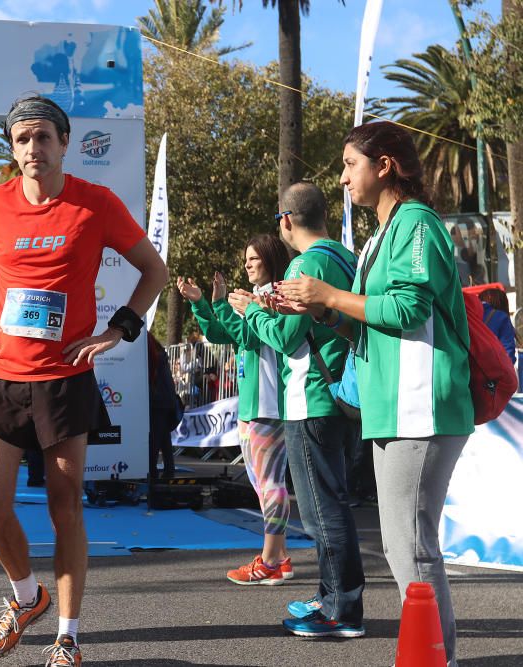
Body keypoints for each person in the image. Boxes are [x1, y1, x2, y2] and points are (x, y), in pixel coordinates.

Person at [0, 94, 167, 666]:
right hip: (1, 376)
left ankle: (68, 635)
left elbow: (153, 270)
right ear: (13, 149)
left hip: (65, 378)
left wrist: (119, 329)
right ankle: (25, 597)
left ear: (64, 144)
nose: (33, 148)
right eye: (22, 139)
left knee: (66, 507)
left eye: (44, 137)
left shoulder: (96, 204)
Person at [277, 121, 476, 665]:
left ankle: (435, 658)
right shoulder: (381, 235)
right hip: (394, 407)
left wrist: (332, 296)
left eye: (349, 164)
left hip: (422, 405)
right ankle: (432, 655)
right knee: (405, 544)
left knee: (411, 545)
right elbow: (370, 330)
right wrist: (321, 308)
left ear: (383, 165)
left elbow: (409, 310)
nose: (342, 178)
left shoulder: (414, 223)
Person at [228, 183, 366, 638]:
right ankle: (332, 597)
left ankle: (340, 609)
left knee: (322, 510)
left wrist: (252, 311)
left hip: (311, 396)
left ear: (286, 221)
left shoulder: (306, 264)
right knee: (332, 504)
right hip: (342, 393)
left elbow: (287, 338)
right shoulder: (345, 256)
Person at [179, 233, 296, 586]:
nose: (247, 265)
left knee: (271, 483)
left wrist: (225, 307)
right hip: (251, 405)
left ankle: (271, 559)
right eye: (245, 259)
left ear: (271, 261)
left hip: (268, 405)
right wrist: (204, 304)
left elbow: (246, 335)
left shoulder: (275, 297)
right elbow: (221, 335)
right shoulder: (254, 298)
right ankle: (281, 557)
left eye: (254, 259)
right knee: (262, 484)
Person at [147, 333, 179, 479]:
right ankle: (168, 471)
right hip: (166, 399)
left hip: (158, 400)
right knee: (164, 438)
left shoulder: (152, 354)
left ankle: (153, 473)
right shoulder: (159, 352)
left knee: (155, 440)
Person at [478, 287, 517, 366]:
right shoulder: (501, 317)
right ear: (501, 302)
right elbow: (508, 351)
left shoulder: (470, 314)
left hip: (470, 372)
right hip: (495, 372)